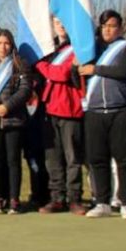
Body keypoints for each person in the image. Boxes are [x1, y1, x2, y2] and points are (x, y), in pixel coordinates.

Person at [77, 10, 126, 220]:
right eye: (104, 26)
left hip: (120, 109)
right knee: (97, 158)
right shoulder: (92, 51)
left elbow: (123, 71)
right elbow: (79, 78)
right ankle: (102, 202)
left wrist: (95, 69)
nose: (107, 30)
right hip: (95, 111)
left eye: (112, 26)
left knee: (124, 159)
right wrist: (77, 68)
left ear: (119, 28)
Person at [36, 18, 87, 215]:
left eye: (64, 21)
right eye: (57, 22)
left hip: (70, 108)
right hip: (49, 108)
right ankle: (57, 197)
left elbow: (61, 74)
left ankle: (74, 198)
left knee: (72, 156)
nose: (61, 25)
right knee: (53, 158)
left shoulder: (79, 48)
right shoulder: (49, 49)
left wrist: (41, 65)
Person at [0, 30, 31, 214]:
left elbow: (25, 89)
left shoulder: (19, 64)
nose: (3, 47)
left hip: (14, 120)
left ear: (11, 45)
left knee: (13, 161)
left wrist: (8, 106)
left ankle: (14, 199)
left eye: (6, 43)